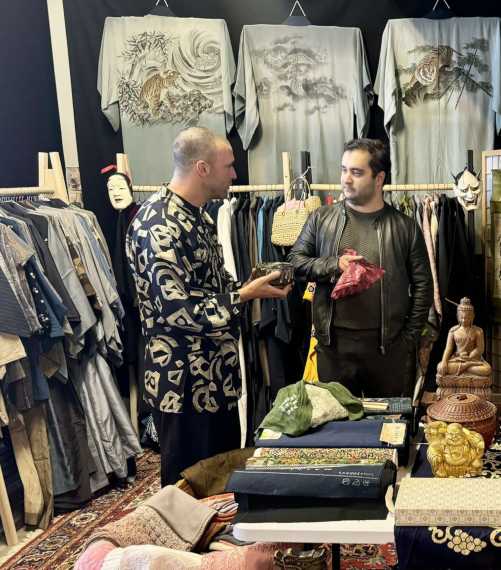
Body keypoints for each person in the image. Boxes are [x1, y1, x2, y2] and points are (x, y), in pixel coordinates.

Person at [127, 126, 292, 485]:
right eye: (228, 166)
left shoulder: (199, 215)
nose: (234, 174)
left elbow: (210, 288)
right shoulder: (157, 224)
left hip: (217, 378)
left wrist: (248, 287)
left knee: (221, 481)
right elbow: (178, 310)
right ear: (202, 168)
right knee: (186, 488)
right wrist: (243, 296)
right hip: (183, 384)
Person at [289, 138, 432, 397]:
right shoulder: (320, 218)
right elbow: (295, 263)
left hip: (386, 349)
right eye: (344, 170)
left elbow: (424, 288)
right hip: (333, 347)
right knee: (337, 420)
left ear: (379, 178)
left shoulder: (405, 227)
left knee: (386, 420)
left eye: (356, 172)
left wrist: (407, 341)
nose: (346, 179)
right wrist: (333, 264)